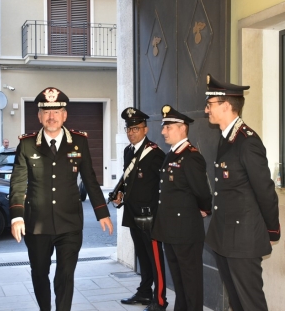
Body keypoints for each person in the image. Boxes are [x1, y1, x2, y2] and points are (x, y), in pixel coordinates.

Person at [9, 87, 113, 311]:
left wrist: (102, 212)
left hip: (70, 223)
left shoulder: (79, 142)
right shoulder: (27, 144)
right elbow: (17, 182)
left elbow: (90, 179)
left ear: (64, 115)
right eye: (46, 112)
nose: (51, 116)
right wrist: (17, 217)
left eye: (56, 111)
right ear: (39, 116)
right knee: (39, 273)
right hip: (37, 224)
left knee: (65, 274)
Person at [204, 74, 281, 311]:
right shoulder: (226, 138)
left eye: (210, 104)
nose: (206, 109)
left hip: (244, 239)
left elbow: (265, 190)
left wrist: (272, 230)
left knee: (251, 304)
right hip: (225, 236)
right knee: (237, 303)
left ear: (226, 106)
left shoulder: (247, 141)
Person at [151, 105, 212, 311]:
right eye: (163, 127)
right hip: (170, 229)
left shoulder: (191, 156)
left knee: (190, 281)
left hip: (185, 230)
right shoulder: (171, 154)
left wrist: (205, 209)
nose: (163, 132)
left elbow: (202, 192)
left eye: (168, 127)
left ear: (182, 128)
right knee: (178, 280)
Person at [113, 107, 167, 311]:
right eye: (128, 129)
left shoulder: (154, 153)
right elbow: (129, 180)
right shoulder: (128, 151)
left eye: (135, 129)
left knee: (155, 259)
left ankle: (160, 300)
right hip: (133, 213)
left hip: (150, 216)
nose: (131, 133)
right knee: (142, 257)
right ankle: (144, 292)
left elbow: (164, 186)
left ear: (145, 129)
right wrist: (120, 193)